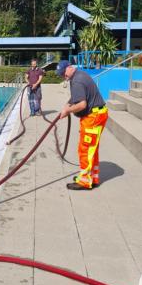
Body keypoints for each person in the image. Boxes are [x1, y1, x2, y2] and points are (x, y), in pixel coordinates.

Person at [55, 60, 108, 190]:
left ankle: (84, 181)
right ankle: (92, 177)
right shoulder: (79, 75)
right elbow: (76, 97)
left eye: (63, 73)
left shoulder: (77, 81)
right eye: (61, 75)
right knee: (92, 148)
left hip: (93, 117)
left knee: (85, 148)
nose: (63, 76)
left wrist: (68, 111)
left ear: (69, 68)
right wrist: (66, 106)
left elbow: (82, 104)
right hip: (97, 114)